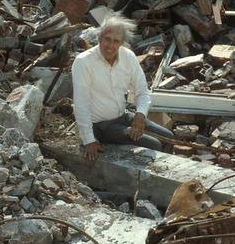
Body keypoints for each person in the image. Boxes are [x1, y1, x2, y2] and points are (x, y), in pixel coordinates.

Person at [71, 15, 174, 161]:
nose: (110, 45)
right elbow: (81, 104)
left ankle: (165, 168)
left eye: (116, 41)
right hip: (101, 126)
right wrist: (89, 140)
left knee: (168, 137)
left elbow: (142, 91)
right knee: (154, 145)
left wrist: (140, 115)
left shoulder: (128, 57)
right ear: (99, 37)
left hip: (123, 116)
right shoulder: (83, 62)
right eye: (107, 39)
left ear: (121, 43)